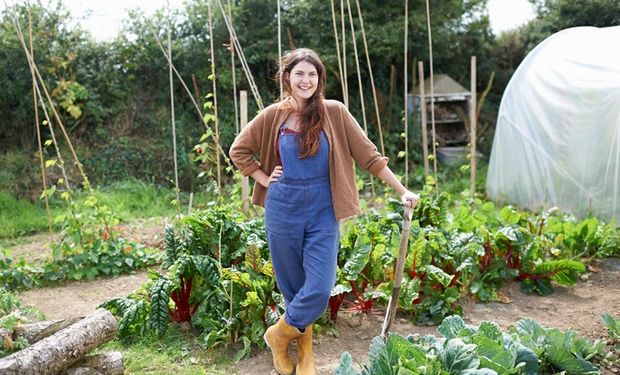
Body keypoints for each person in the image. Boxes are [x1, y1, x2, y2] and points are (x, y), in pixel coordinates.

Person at [229, 48, 418, 375]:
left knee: (318, 287)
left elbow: (369, 156)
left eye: (312, 74)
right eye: (299, 74)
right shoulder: (273, 115)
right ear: (287, 77)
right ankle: (305, 356)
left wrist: (401, 189)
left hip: (322, 208)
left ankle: (279, 335)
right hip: (282, 206)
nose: (306, 80)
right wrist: (263, 177)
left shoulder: (334, 112)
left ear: (320, 79)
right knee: (293, 287)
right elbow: (239, 150)